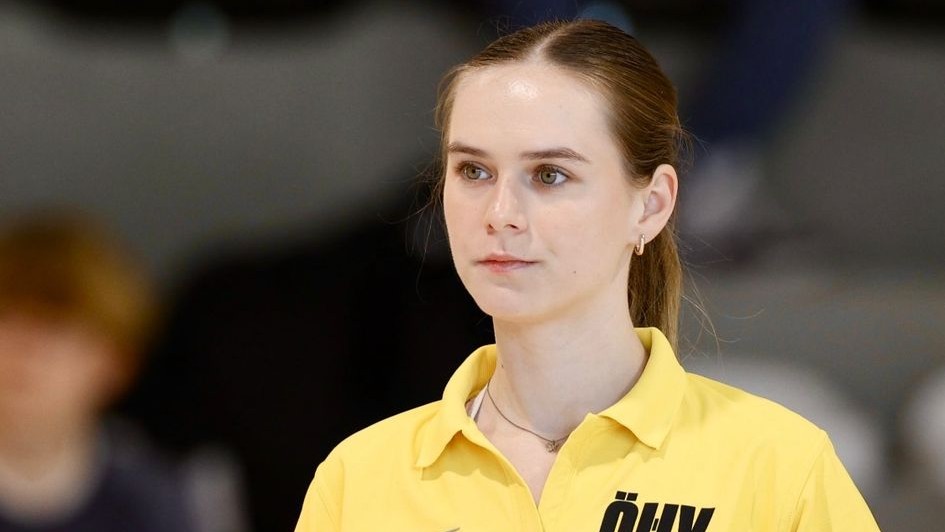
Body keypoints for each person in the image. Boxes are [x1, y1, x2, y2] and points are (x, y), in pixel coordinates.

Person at [295, 20, 879, 531]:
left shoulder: (780, 467)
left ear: (651, 205)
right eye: (473, 171)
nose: (500, 214)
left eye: (549, 174)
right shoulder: (359, 478)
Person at [0, 212, 196, 532]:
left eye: (56, 329)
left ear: (115, 363)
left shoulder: (152, 499)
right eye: (6, 319)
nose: (27, 352)